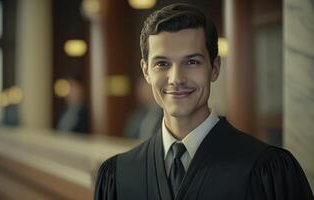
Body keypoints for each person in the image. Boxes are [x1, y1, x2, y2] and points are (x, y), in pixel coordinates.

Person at [94, 4, 313, 200]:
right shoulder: (119, 175)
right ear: (146, 71)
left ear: (215, 67)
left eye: (191, 61)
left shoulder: (267, 170)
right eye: (162, 63)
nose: (176, 79)